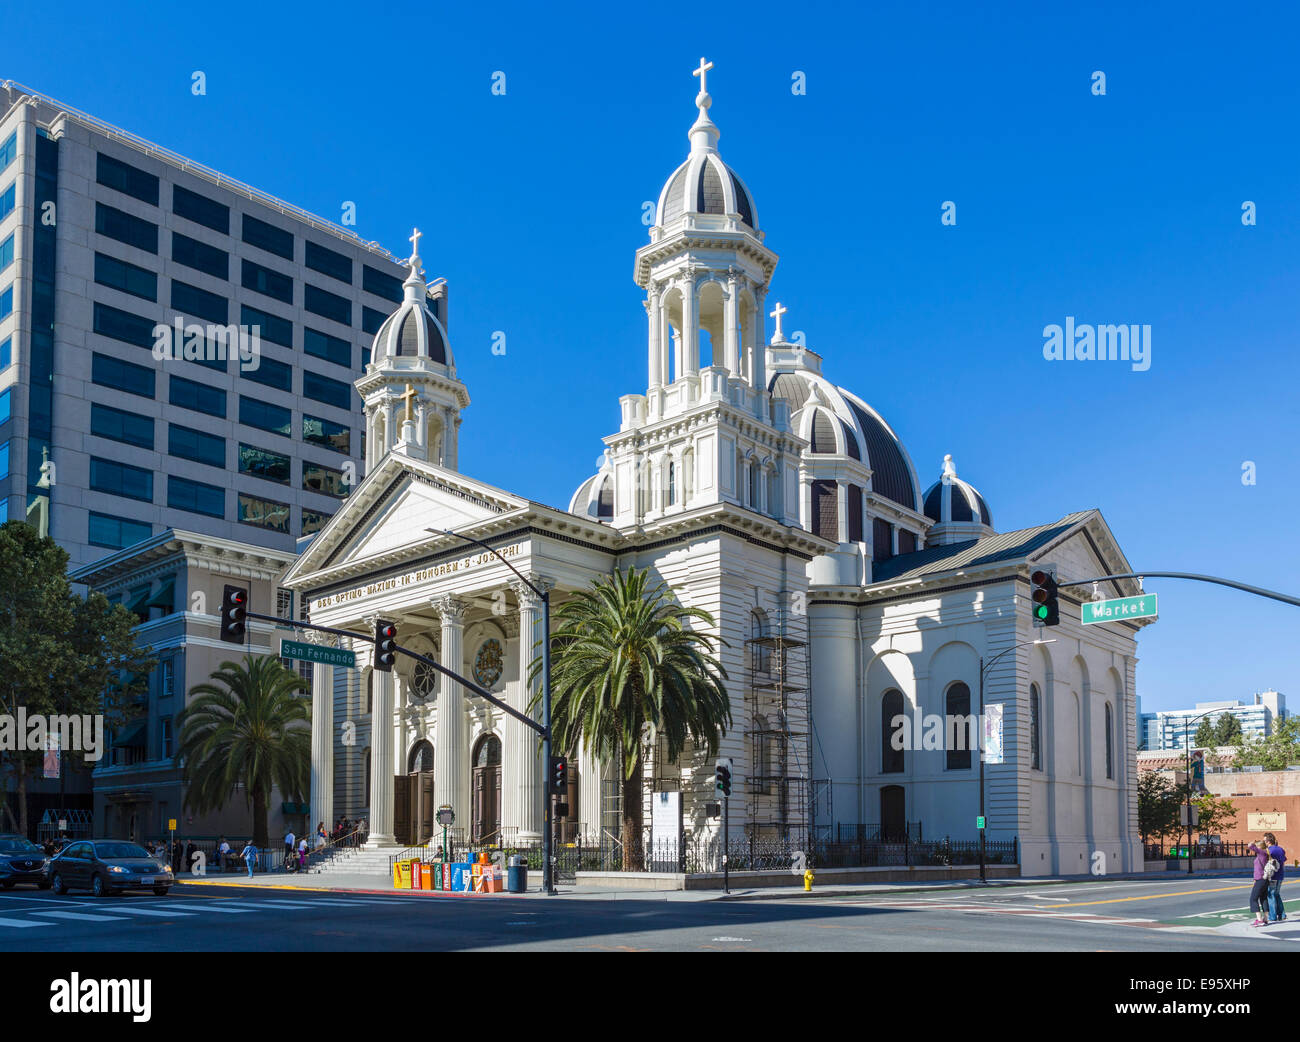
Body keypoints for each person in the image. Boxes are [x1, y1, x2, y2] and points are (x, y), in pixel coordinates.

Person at [1248, 838, 1273, 926]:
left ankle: (1259, 920)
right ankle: (1265, 919)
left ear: (1259, 847)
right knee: (1263, 898)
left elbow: (1250, 846)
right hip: (1264, 879)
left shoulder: (1262, 853)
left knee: (1253, 899)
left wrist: (1253, 842)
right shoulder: (1265, 854)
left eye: (1257, 846)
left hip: (1260, 879)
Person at [1265, 831, 1287, 923]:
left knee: (1270, 895)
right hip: (1280, 875)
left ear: (1268, 841)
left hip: (1272, 875)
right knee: (1276, 894)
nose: (1264, 843)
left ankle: (1272, 916)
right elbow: (1284, 859)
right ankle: (1282, 915)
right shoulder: (1281, 849)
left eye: (1264, 841)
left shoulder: (1269, 850)